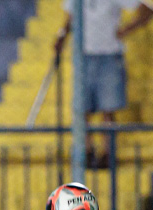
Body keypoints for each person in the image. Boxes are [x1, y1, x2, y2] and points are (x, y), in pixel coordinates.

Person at [54, 0, 153, 167]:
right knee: (82, 107)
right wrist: (62, 35)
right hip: (82, 55)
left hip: (109, 55)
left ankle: (107, 152)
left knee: (108, 108)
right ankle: (86, 150)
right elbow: (71, 16)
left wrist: (125, 30)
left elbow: (146, 10)